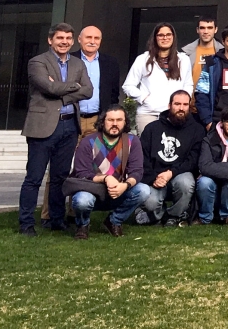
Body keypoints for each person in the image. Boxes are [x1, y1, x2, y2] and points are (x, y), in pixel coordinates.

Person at [19, 23, 92, 235]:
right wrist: (73, 87)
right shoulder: (37, 62)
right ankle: (26, 223)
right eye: (60, 38)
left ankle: (56, 219)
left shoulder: (78, 64)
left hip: (69, 125)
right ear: (50, 40)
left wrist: (63, 90)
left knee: (60, 176)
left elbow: (88, 90)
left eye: (68, 38)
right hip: (42, 126)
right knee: (34, 177)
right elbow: (48, 87)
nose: (64, 42)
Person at [64, 105, 146, 239]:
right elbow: (82, 173)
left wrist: (125, 185)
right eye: (110, 120)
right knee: (82, 200)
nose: (115, 124)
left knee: (143, 190)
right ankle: (82, 225)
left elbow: (137, 171)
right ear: (103, 121)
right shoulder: (88, 142)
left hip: (118, 191)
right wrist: (106, 178)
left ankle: (114, 221)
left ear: (125, 122)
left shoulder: (133, 141)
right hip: (91, 191)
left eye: (119, 120)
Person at [137, 90, 204, 226]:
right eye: (177, 104)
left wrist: (171, 173)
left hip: (179, 173)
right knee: (151, 203)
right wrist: (153, 178)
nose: (181, 108)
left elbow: (193, 160)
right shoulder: (152, 128)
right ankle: (156, 215)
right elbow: (142, 157)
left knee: (186, 183)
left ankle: (173, 215)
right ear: (169, 105)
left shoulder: (197, 130)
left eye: (185, 104)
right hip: (155, 177)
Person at [123, 23, 191, 133]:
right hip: (148, 113)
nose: (165, 38)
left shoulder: (183, 60)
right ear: (155, 38)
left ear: (173, 37)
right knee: (148, 148)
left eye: (168, 34)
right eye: (161, 35)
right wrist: (144, 98)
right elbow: (128, 85)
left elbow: (188, 84)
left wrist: (183, 102)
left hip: (173, 114)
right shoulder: (143, 59)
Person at [71, 25, 121, 137]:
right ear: (79, 39)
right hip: (73, 119)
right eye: (88, 37)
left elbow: (114, 93)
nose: (92, 41)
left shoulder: (110, 63)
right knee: (70, 154)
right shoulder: (69, 60)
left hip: (98, 120)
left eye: (96, 38)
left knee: (96, 154)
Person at [197, 25, 228, 127]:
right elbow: (201, 92)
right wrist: (208, 121)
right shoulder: (211, 62)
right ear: (223, 42)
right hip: (217, 119)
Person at [180, 17, 218, 99]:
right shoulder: (185, 53)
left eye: (210, 28)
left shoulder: (222, 52)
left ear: (216, 30)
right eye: (202, 28)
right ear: (197, 30)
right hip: (188, 105)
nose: (206, 31)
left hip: (214, 105)